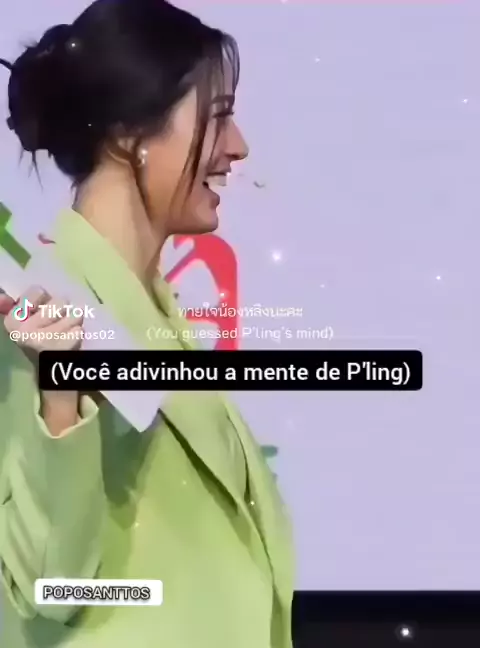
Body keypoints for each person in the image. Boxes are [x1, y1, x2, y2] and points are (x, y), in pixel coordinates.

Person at [0, 1, 294, 647]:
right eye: (218, 117)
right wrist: (59, 398)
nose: (238, 147)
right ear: (128, 134)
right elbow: (49, 586)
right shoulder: (36, 313)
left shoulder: (157, 312)